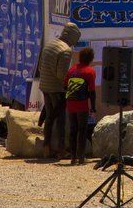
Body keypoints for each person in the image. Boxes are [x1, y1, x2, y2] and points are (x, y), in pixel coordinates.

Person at [37, 22, 81, 159]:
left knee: (49, 117)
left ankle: (46, 147)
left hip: (45, 86)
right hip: (57, 89)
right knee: (60, 120)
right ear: (73, 37)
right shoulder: (65, 50)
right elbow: (62, 75)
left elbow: (39, 68)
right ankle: (61, 149)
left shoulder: (50, 45)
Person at [65, 47, 96, 166]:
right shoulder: (90, 71)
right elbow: (92, 91)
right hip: (82, 104)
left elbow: (65, 86)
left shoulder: (72, 70)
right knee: (82, 130)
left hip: (70, 103)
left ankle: (73, 157)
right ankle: (81, 157)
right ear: (91, 58)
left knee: (73, 130)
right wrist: (93, 107)